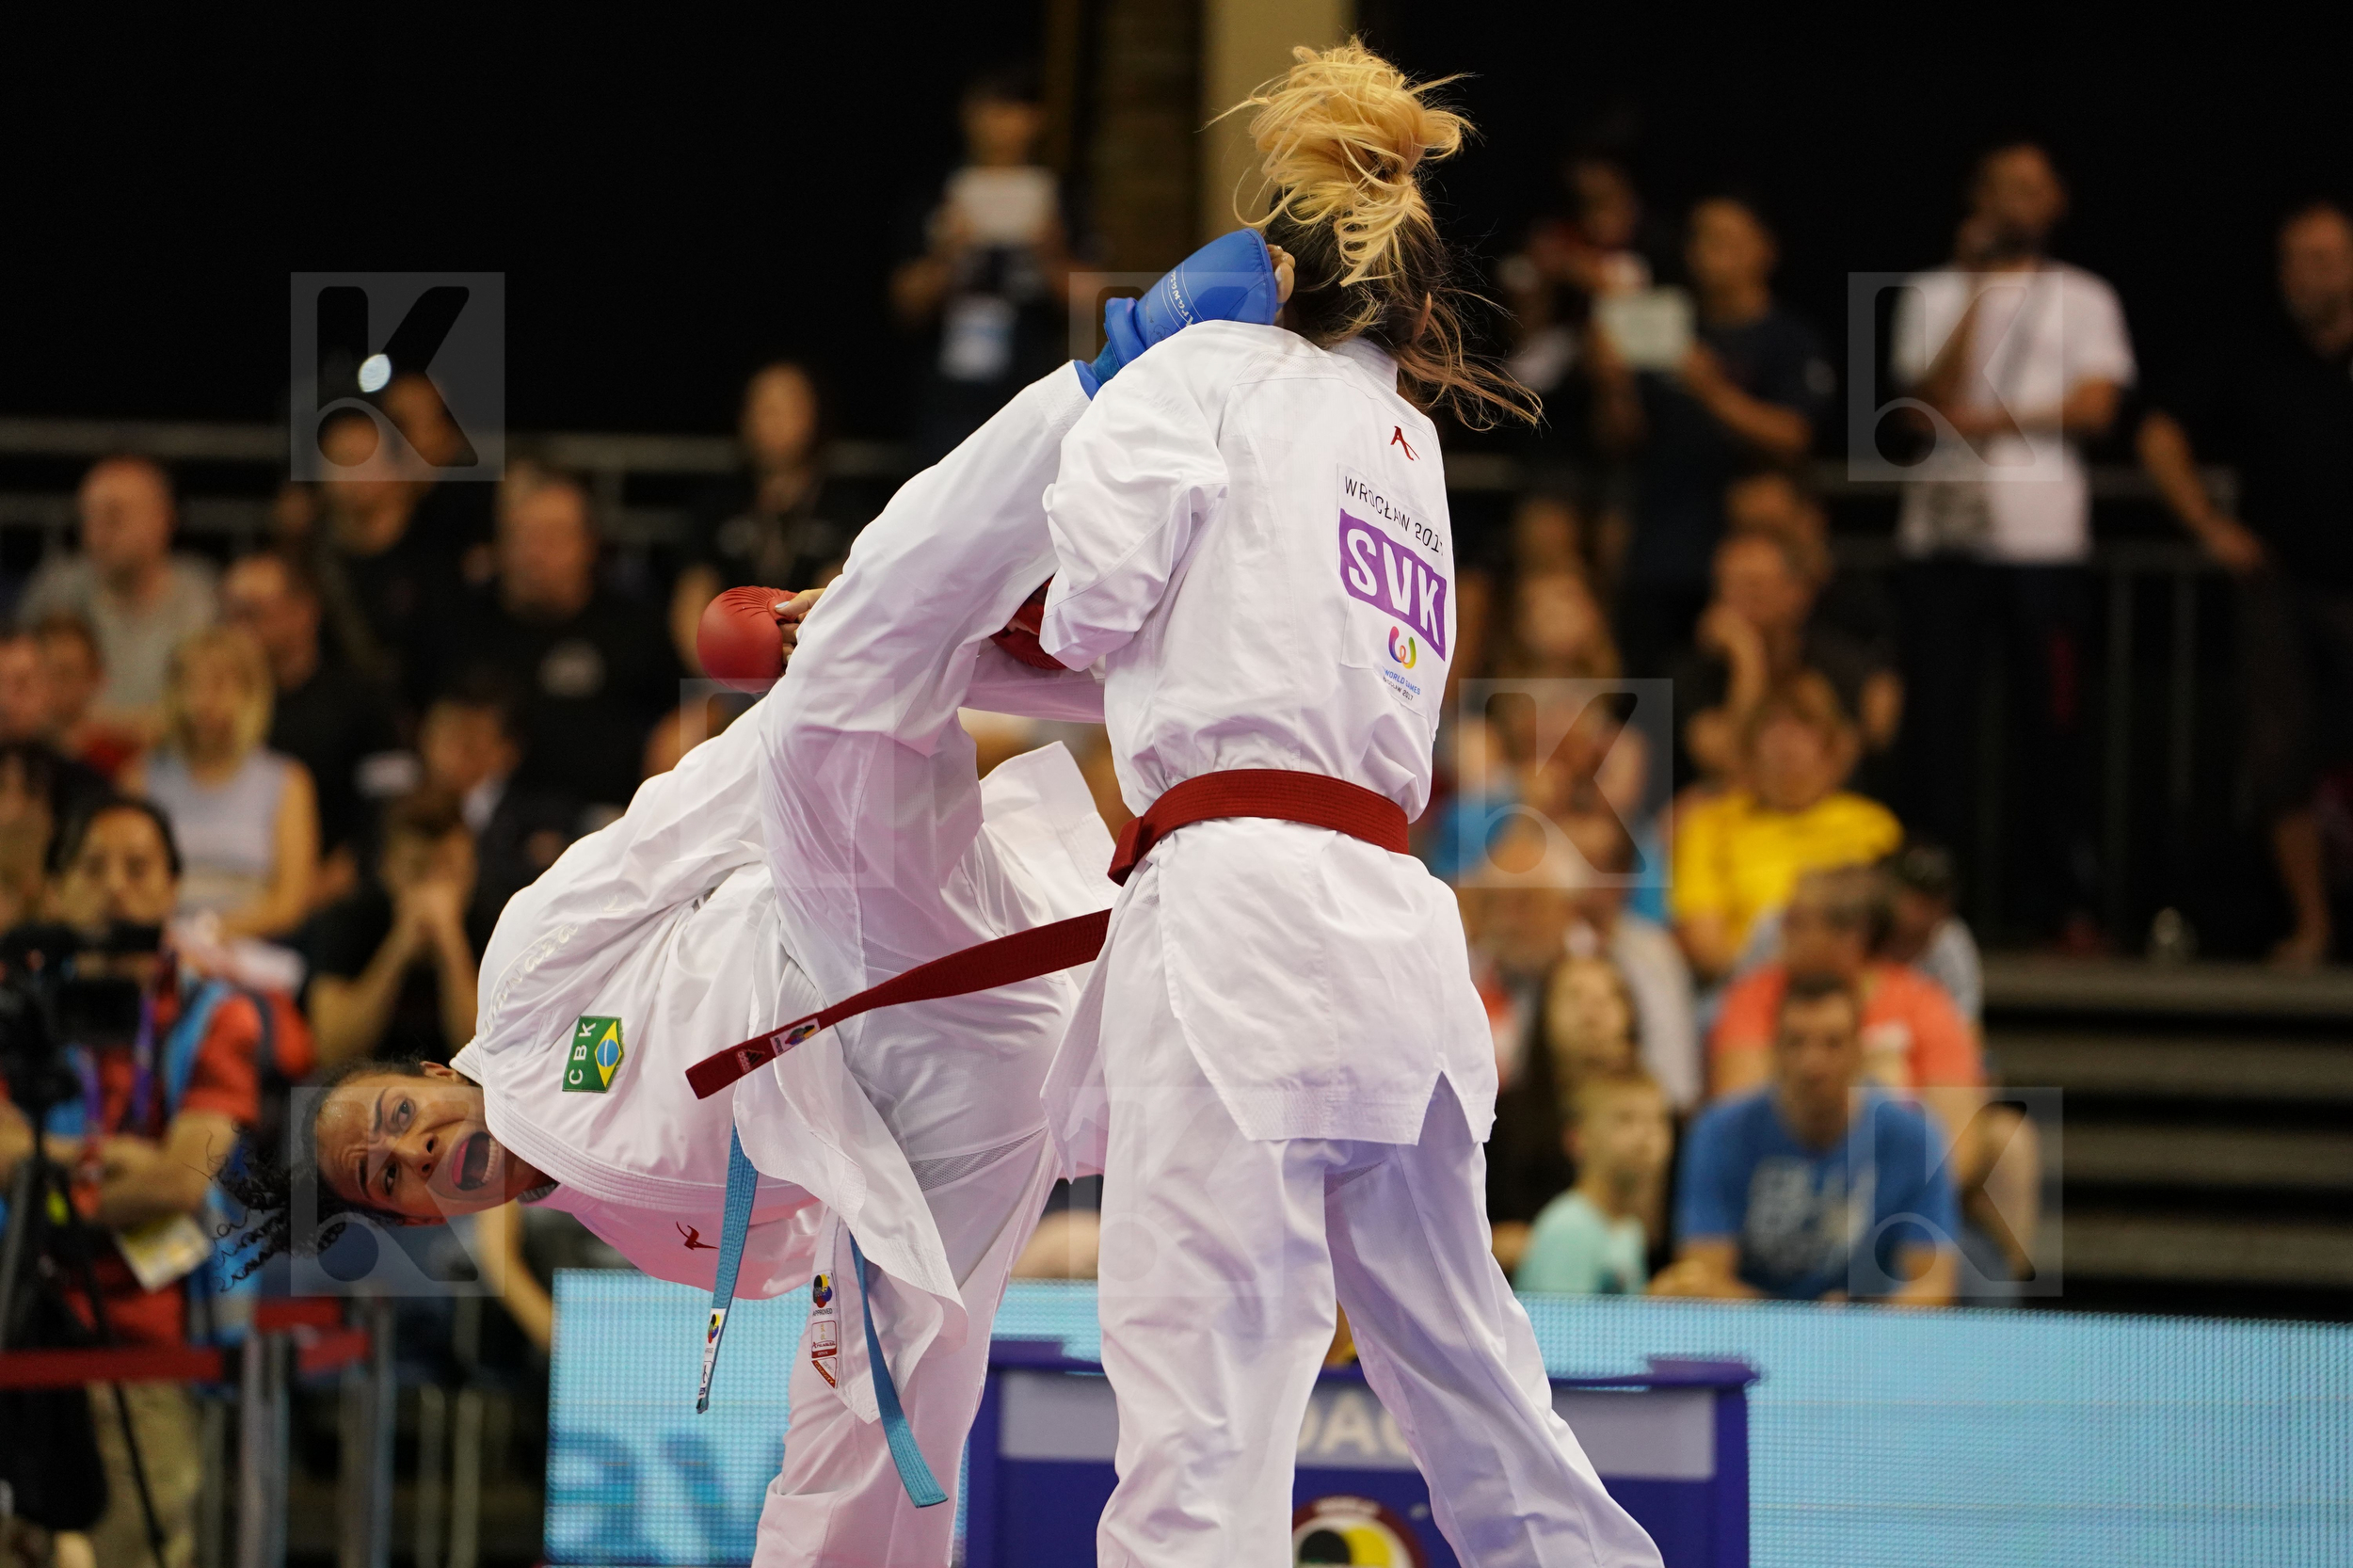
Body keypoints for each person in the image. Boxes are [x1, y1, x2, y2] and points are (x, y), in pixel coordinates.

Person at [226, 234, 1276, 1568]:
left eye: (392, 1122)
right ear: (424, 1219)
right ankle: (1021, 637)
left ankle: (1126, 371)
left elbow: (675, 829)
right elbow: (794, 1233)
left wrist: (806, 682)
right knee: (856, 1445)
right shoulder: (632, 1227)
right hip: (936, 1133)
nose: (414, 1154)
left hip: (859, 936)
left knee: (846, 695)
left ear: (428, 1071)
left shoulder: (524, 977)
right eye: (390, 1181)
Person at [1035, 42, 1659, 1567]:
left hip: (1242, 914)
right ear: (1408, 298)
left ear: (1260, 261)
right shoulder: (1409, 442)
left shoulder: (1194, 371)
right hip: (1392, 926)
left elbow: (1095, 607)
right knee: (1472, 1374)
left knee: (1207, 1401)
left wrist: (1091, 410)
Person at [0, 797, 307, 1568]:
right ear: (56, 890)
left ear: (173, 887)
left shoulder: (218, 1015)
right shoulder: (14, 1009)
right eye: (92, 867)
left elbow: (179, 1182)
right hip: (13, 1331)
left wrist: (45, 1175)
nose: (115, 886)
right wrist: (116, 1163)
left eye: (138, 867)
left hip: (141, 1350)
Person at [1890, 144, 2135, 947]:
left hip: (2042, 545)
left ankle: (2060, 904)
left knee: (2050, 729)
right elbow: (1922, 408)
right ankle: (1928, 913)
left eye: (2032, 187)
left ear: (2057, 199)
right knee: (1939, 730)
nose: (2016, 203)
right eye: (2001, 188)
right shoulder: (1928, 292)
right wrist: (1972, 291)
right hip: (1942, 543)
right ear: (1977, 197)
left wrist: (1984, 422)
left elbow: (2098, 406)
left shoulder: (2085, 295)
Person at [2139, 201, 2353, 966]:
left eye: (2326, 258)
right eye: (2294, 259)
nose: (2309, 275)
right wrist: (2208, 526)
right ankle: (2313, 925)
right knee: (2279, 756)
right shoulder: (2253, 352)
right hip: (2281, 582)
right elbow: (2159, 430)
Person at [1591, 196, 1833, 675]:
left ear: (1765, 249)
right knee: (1653, 694)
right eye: (1701, 237)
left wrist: (1712, 390)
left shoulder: (1790, 339)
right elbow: (1618, 438)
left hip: (1745, 556)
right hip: (1660, 548)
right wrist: (1613, 383)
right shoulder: (1661, 325)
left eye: (1728, 238)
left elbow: (1795, 436)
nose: (1710, 250)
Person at [1652, 974, 1958, 1304]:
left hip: (1865, 1338)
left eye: (1833, 1043)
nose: (1813, 1063)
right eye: (1796, 1042)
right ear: (1773, 1051)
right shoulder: (1718, 1133)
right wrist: (1802, 1324)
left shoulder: (1914, 1140)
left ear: (1859, 1052)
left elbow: (1933, 1288)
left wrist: (1857, 1318)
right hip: (1749, 1333)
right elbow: (1703, 1278)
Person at [427, 470, 680, 814]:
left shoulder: (632, 624)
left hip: (605, 821)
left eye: (553, 537)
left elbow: (692, 706)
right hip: (485, 825)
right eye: (524, 536)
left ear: (588, 544)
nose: (535, 553)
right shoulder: (463, 623)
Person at [891, 65, 1077, 458]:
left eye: (1015, 109)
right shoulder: (938, 197)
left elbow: (1093, 298)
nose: (1003, 124)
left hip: (1034, 383)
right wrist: (947, 251)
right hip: (951, 391)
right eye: (992, 108)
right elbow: (905, 302)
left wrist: (1049, 251)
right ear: (969, 114)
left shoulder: (1061, 198)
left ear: (1036, 119)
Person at [1672, 673, 1901, 981]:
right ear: (1750, 746)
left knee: (1949, 940)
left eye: (1802, 726)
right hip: (1747, 981)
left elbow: (1885, 936)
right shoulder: (1710, 823)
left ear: (1830, 745)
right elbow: (1707, 949)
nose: (1785, 741)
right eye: (1771, 727)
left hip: (1851, 978)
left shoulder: (1872, 826)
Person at [220, 550, 402, 902]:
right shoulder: (214, 706)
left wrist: (308, 896)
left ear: (304, 611)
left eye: (252, 612)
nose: (237, 629)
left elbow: (388, 813)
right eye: (229, 614)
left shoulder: (362, 699)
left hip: (329, 898)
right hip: (232, 890)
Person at [670, 362, 872, 672]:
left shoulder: (844, 510)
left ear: (815, 415)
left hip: (814, 673)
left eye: (788, 405)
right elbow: (691, 602)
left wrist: (792, 672)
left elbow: (835, 608)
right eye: (764, 406)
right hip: (727, 675)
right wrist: (721, 675)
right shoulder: (716, 507)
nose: (775, 418)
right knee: (689, 721)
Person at [123, 627, 319, 941]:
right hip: (157, 951)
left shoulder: (287, 781)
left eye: (218, 685)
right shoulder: (140, 777)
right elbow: (123, 883)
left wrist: (210, 933)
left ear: (251, 694)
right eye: (188, 684)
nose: (201, 702)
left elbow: (289, 905)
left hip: (253, 953)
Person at [1672, 527, 1900, 793]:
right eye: (1727, 586)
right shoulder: (1695, 671)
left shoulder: (1838, 663)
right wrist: (1747, 661)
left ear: (1797, 594)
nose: (1738, 601)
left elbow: (1841, 765)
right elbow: (1725, 762)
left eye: (1753, 586)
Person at [16, 456, 219, 732]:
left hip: (174, 762)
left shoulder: (203, 597)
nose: (96, 532)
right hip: (70, 760)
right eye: (89, 516)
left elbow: (217, 701)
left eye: (114, 516)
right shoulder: (55, 591)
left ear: (164, 518)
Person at [1486, 952, 1642, 1271]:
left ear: (1631, 1017)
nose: (1592, 1011)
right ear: (1545, 1016)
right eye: (1574, 996)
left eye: (1608, 997)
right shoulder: (1500, 1119)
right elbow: (1476, 1233)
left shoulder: (1657, 1116)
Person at [303, 787, 478, 1067]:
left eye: (450, 869)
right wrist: (398, 947)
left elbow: (487, 1059)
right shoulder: (346, 921)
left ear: (472, 868)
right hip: (367, 1084)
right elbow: (332, 1050)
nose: (433, 888)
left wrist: (451, 943)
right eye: (417, 870)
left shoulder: (499, 923)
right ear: (387, 868)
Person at [414, 681, 577, 954]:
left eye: (470, 739)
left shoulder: (543, 815)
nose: (452, 752)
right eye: (445, 737)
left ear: (507, 751)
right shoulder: (404, 811)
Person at [1515, 1071, 1673, 1295]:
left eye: (1658, 1120)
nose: (1647, 1134)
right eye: (1625, 1119)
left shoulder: (1630, 1229)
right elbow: (1558, 1327)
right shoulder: (1569, 1229)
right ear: (1578, 1138)